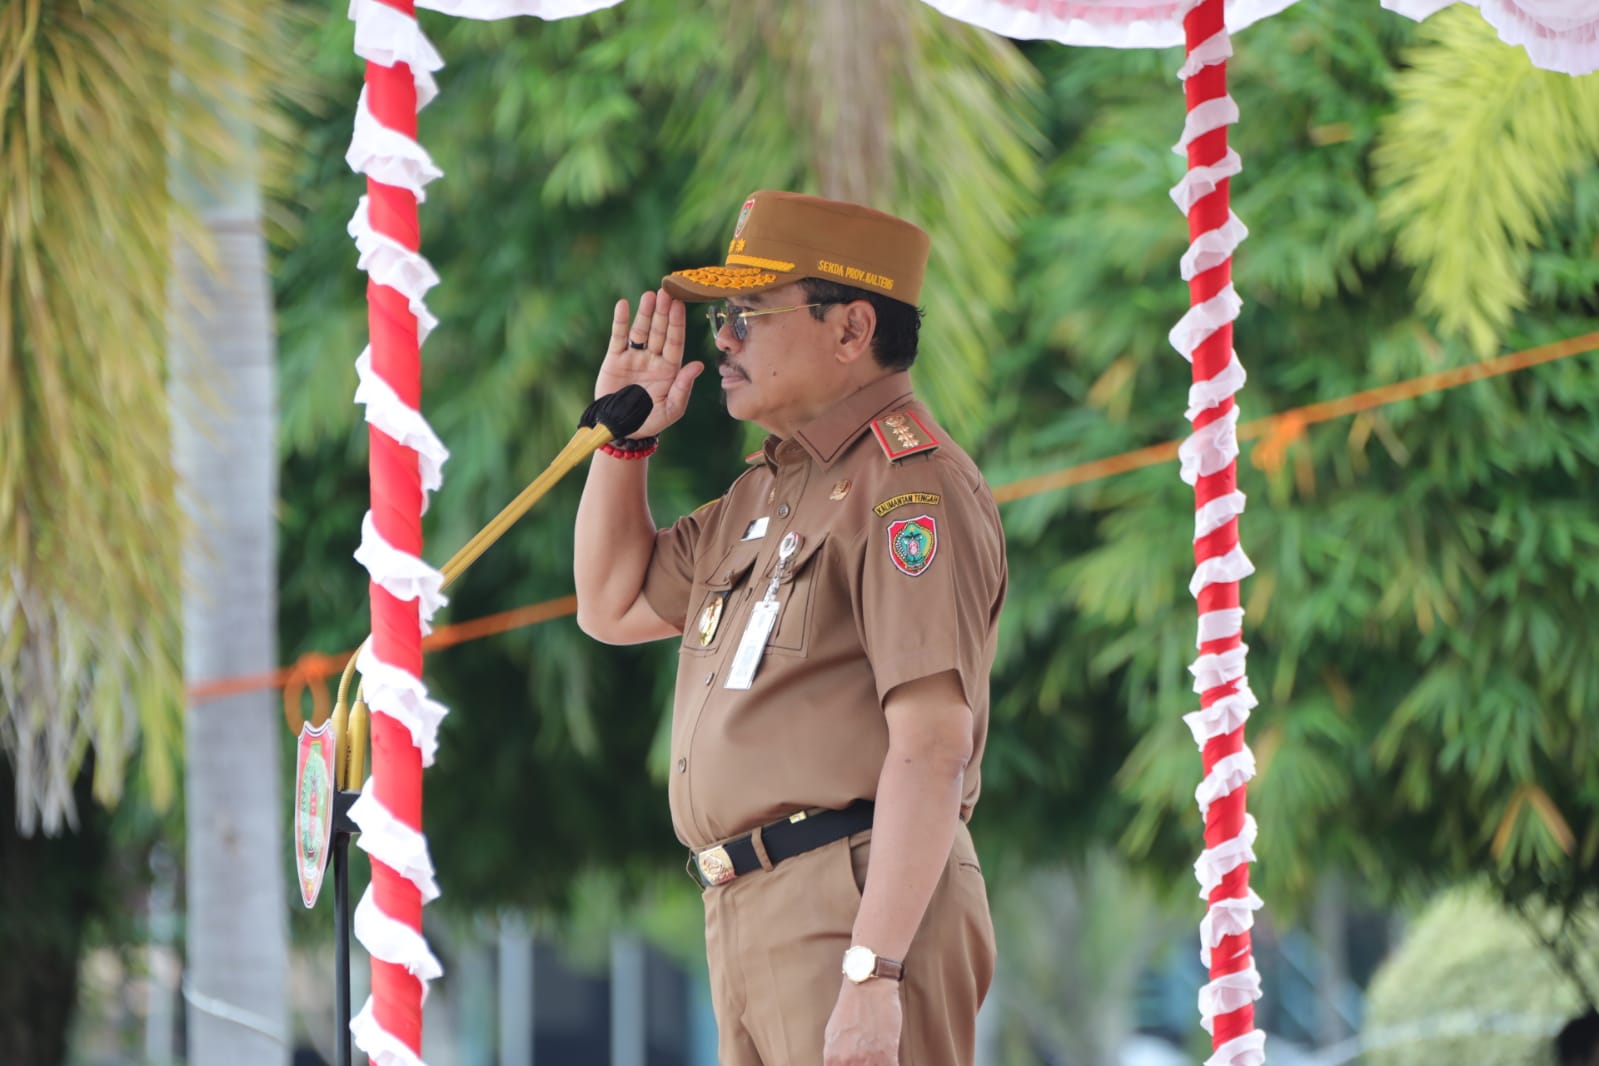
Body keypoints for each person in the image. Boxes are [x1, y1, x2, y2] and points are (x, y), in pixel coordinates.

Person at [573, 190, 1006, 1066]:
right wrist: (623, 441)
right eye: (723, 318)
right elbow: (610, 604)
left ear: (850, 330)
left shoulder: (907, 490)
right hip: (753, 907)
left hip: (847, 898)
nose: (721, 340)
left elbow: (930, 745)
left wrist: (872, 971)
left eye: (748, 316)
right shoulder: (766, 490)